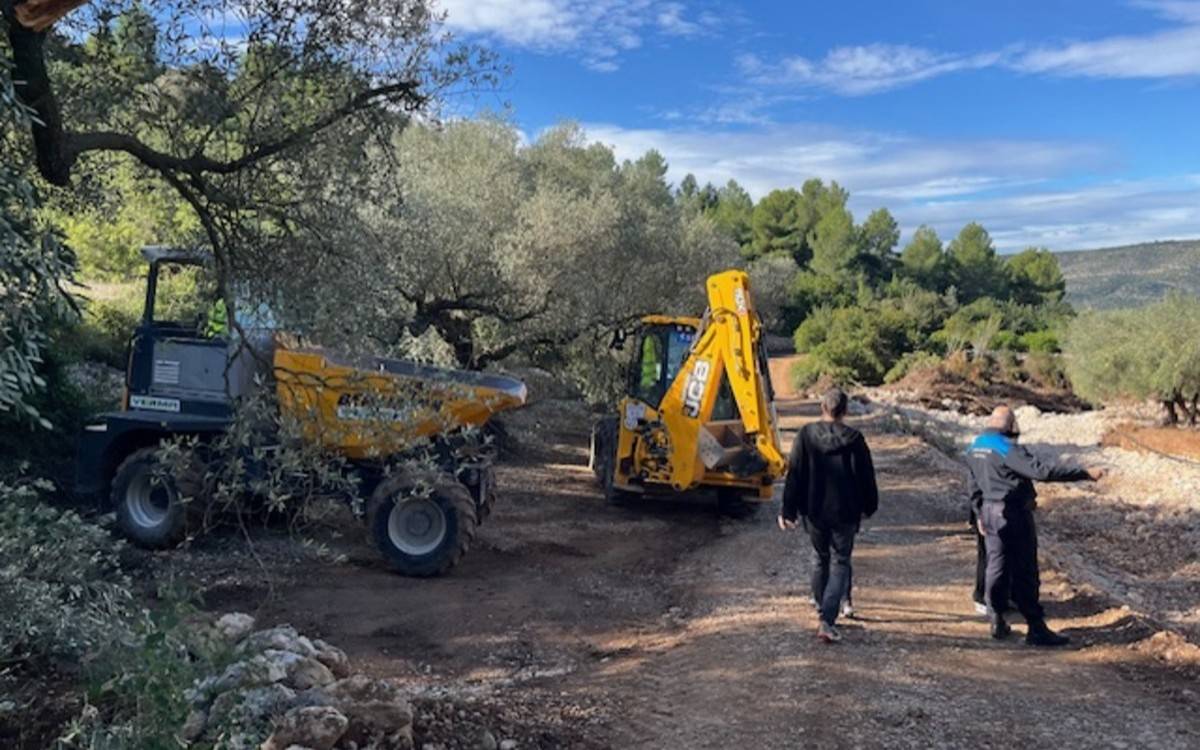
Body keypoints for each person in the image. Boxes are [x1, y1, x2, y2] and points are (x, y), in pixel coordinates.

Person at [967, 405, 1104, 646]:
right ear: (1010, 425)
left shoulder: (975, 445)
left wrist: (978, 512)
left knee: (995, 566)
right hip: (1012, 513)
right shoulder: (1005, 447)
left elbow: (973, 484)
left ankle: (996, 617)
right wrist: (1083, 473)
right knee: (1025, 570)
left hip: (988, 511)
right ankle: (1036, 628)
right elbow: (1041, 471)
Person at [779, 388, 879, 644]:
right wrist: (869, 506)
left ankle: (822, 606)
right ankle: (827, 619)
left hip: (814, 510)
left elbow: (795, 474)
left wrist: (787, 510)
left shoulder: (806, 435)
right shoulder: (855, 439)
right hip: (845, 512)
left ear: (822, 407)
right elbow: (866, 477)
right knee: (840, 561)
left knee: (820, 558)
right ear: (845, 410)